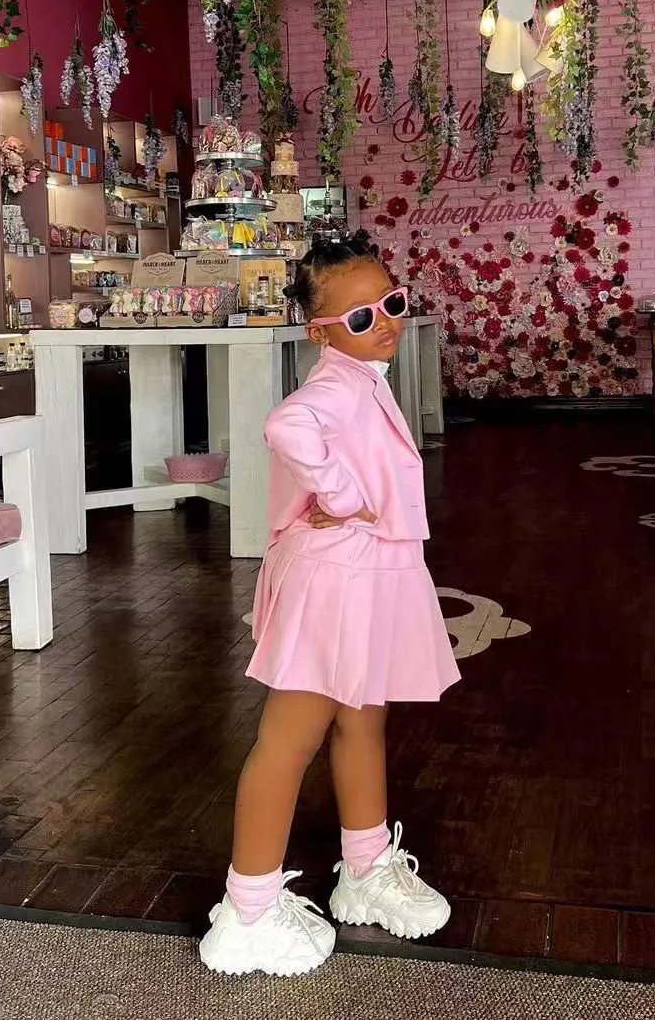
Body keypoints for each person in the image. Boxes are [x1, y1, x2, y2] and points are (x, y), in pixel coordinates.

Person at [199, 231, 460, 978]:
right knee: (292, 735)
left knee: (362, 715)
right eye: (361, 317)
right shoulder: (337, 385)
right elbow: (285, 425)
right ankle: (248, 910)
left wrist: (346, 493)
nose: (384, 322)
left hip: (362, 573)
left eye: (392, 304)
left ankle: (366, 864)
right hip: (335, 579)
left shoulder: (362, 377)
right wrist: (342, 494)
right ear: (320, 332)